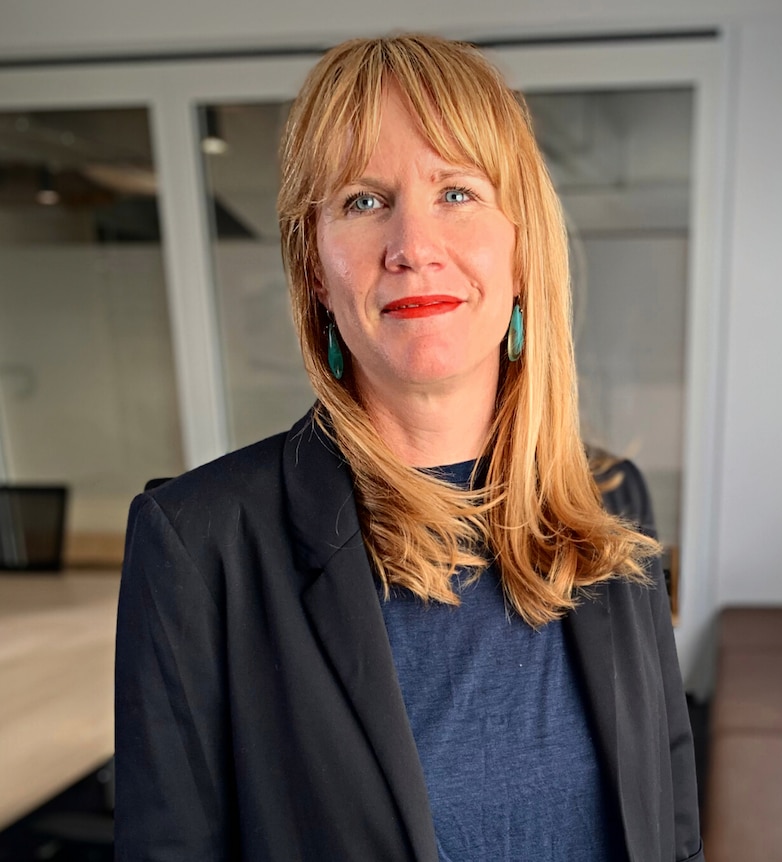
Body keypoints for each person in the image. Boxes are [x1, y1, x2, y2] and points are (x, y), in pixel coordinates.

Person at [115, 34, 703, 862]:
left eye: (457, 192)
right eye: (363, 201)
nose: (412, 245)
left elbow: (669, 806)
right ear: (315, 266)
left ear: (521, 244)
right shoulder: (198, 543)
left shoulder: (612, 499)